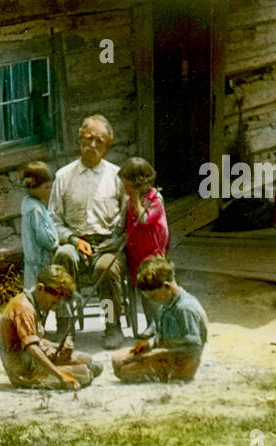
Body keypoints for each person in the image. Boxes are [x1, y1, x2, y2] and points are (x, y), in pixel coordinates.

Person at [50, 114, 127, 348]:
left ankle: (112, 326)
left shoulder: (117, 176)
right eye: (88, 138)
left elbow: (126, 219)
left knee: (106, 267)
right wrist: (72, 240)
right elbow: (53, 220)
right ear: (79, 140)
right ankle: (65, 327)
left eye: (99, 141)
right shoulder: (63, 176)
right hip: (75, 242)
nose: (93, 145)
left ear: (108, 146)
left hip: (108, 244)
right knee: (62, 258)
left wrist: (115, 241)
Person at [0, 265, 102, 390]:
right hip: (23, 368)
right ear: (40, 288)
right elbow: (33, 349)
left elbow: (37, 340)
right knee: (85, 374)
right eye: (53, 302)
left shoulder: (32, 303)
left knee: (89, 361)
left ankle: (64, 371)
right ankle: (37, 378)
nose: (54, 307)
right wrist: (61, 376)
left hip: (31, 359)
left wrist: (57, 346)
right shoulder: (23, 308)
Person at [111, 256, 208, 382]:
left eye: (154, 296)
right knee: (116, 359)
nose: (152, 300)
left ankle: (178, 375)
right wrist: (150, 344)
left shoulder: (185, 309)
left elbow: (193, 348)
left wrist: (158, 354)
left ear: (167, 286)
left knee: (126, 372)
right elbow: (166, 337)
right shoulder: (166, 304)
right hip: (167, 353)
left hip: (183, 362)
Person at [118, 157, 169, 325]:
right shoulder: (131, 202)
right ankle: (151, 324)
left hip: (151, 255)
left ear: (137, 185)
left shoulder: (154, 200)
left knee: (153, 292)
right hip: (136, 255)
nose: (123, 188)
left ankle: (158, 325)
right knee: (143, 292)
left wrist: (134, 199)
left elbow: (144, 219)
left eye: (126, 185)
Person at [19, 161, 60, 291]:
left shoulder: (27, 203)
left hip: (32, 265)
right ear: (32, 186)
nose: (49, 191)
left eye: (51, 187)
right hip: (40, 265)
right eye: (46, 188)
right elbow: (49, 241)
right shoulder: (36, 209)